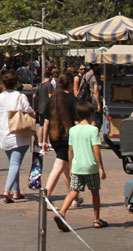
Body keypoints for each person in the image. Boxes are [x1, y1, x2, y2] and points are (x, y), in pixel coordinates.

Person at [55, 101, 107, 231]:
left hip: (77, 166)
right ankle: (96, 219)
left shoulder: (73, 130)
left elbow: (70, 150)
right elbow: (96, 148)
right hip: (91, 166)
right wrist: (101, 167)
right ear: (90, 115)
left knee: (74, 191)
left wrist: (71, 166)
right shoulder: (93, 130)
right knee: (95, 192)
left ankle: (62, 212)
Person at [0, 71, 36, 203]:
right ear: (16, 83)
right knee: (15, 163)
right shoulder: (20, 96)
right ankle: (7, 190)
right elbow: (28, 110)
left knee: (13, 163)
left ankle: (16, 191)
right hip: (19, 134)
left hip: (4, 133)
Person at [43, 72, 78, 202]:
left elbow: (46, 121)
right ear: (69, 83)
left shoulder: (53, 99)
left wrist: (44, 140)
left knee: (66, 168)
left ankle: (73, 196)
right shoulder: (72, 100)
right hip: (67, 138)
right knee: (59, 167)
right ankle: (46, 196)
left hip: (54, 137)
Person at [35, 68, 55, 145]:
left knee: (41, 125)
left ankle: (40, 142)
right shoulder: (49, 85)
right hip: (47, 107)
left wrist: (41, 98)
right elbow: (50, 96)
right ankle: (47, 142)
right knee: (49, 124)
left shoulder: (41, 85)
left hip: (40, 107)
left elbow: (34, 96)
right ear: (50, 76)